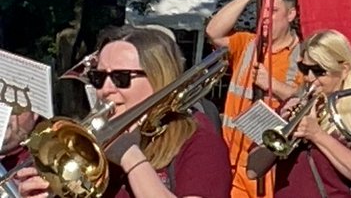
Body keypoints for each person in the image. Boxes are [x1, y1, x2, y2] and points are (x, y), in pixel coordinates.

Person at [14, 27, 231, 198]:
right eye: (99, 78)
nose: (105, 89)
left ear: (158, 78)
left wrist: (130, 155)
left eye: (121, 78)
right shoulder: (90, 149)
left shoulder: (200, 143)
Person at [205, 0, 304, 198]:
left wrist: (272, 85)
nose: (266, 17)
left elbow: (306, 99)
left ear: (291, 14)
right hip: (229, 161)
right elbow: (213, 32)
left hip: (266, 168)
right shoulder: (248, 43)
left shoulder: (303, 56)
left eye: (274, 11)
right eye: (263, 10)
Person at [273, 30, 351, 198]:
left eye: (318, 71)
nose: (309, 78)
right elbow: (253, 169)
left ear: (344, 70)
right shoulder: (291, 107)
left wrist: (317, 135)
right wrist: (280, 124)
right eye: (304, 69)